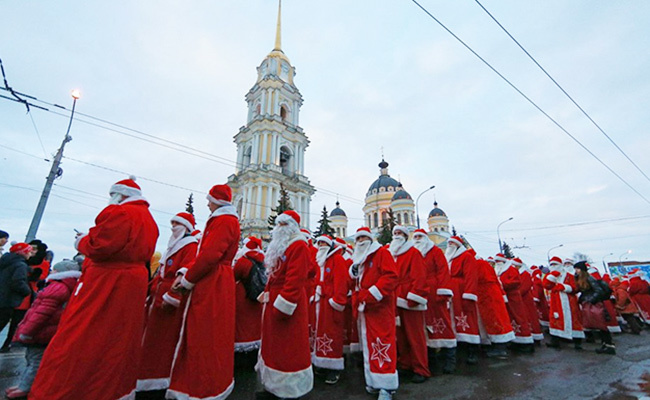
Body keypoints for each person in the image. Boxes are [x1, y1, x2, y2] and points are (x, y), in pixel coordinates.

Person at [30, 177, 159, 400]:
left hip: (108, 280)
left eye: (112, 195)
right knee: (120, 336)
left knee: (87, 333)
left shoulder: (118, 213)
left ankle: (72, 389)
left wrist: (81, 241)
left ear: (119, 195)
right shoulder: (149, 219)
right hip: (133, 282)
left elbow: (100, 246)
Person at [166, 185, 240, 400]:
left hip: (213, 282)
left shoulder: (224, 221)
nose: (207, 204)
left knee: (206, 336)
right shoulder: (222, 220)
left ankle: (205, 388)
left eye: (209, 200)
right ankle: (195, 385)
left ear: (217, 201)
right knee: (204, 335)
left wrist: (188, 279)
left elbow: (209, 255)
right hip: (213, 279)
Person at [137, 212, 199, 393]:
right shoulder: (174, 245)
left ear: (186, 227)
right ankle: (147, 375)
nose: (173, 227)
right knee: (152, 340)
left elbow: (184, 273)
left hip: (169, 300)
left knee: (164, 341)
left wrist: (173, 296)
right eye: (172, 223)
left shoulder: (189, 246)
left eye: (177, 224)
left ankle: (160, 379)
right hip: (158, 297)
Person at [256, 211, 313, 400]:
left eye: (283, 225)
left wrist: (283, 305)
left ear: (291, 226)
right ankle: (273, 386)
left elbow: (295, 280)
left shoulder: (298, 246)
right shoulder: (282, 247)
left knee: (289, 349)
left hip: (289, 307)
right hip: (275, 302)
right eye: (277, 224)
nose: (278, 228)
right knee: (274, 347)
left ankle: (289, 389)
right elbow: (273, 275)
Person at [5, 260, 81, 399]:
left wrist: (27, 331)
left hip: (41, 331)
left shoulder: (56, 287)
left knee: (34, 361)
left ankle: (25, 387)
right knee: (33, 359)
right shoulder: (67, 287)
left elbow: (41, 313)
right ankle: (25, 384)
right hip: (47, 330)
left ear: (59, 272)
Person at [349, 227, 398, 400]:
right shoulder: (358, 259)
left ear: (370, 239)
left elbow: (391, 276)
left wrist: (372, 293)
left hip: (380, 307)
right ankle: (373, 380)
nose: (361, 241)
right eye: (358, 238)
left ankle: (386, 386)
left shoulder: (381, 254)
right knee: (369, 346)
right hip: (365, 308)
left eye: (364, 238)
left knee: (382, 343)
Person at [388, 226, 429, 383]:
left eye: (400, 234)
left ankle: (421, 369)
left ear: (406, 236)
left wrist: (414, 297)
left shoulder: (413, 253)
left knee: (415, 336)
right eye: (395, 233)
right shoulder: (392, 254)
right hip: (395, 299)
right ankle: (405, 364)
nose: (397, 236)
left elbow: (419, 276)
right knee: (401, 336)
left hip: (410, 300)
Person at [412, 229, 456, 374]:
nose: (417, 239)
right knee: (425, 327)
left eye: (420, 236)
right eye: (415, 237)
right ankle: (431, 359)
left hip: (435, 292)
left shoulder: (435, 251)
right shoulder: (413, 253)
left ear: (426, 238)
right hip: (421, 294)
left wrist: (442, 290)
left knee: (442, 323)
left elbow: (443, 271)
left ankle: (450, 358)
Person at [311, 235, 349, 385]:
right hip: (319, 302)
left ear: (330, 245)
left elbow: (341, 281)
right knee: (319, 333)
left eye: (324, 243)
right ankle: (321, 362)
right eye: (319, 243)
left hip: (330, 303)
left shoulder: (337, 260)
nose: (321, 245)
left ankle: (333, 367)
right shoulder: (318, 260)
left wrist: (336, 301)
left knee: (332, 332)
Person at [446, 236, 480, 364]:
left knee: (468, 319)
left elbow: (471, 276)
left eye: (452, 243)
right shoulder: (448, 258)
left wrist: (469, 294)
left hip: (462, 292)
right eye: (448, 243)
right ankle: (460, 346)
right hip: (451, 293)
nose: (449, 245)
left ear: (458, 245)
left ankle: (472, 349)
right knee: (454, 319)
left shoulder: (466, 257)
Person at [574, 261, 616, 354]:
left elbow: (598, 290)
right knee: (599, 324)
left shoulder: (589, 278)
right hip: (590, 303)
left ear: (582, 270)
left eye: (577, 269)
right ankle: (606, 345)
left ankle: (609, 346)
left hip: (594, 304)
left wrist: (591, 299)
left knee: (601, 324)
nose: (575, 271)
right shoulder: (582, 278)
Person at [475, 256, 514, 358]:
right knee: (498, 320)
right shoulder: (488, 275)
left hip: (489, 299)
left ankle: (500, 349)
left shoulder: (480, 268)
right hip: (492, 298)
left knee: (496, 321)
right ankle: (499, 346)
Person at [542, 256, 585, 350]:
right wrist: (552, 276)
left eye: (555, 264)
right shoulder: (550, 275)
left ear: (560, 265)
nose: (553, 266)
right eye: (551, 264)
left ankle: (578, 342)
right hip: (556, 301)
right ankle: (555, 341)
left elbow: (576, 288)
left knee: (574, 319)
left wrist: (564, 287)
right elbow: (546, 285)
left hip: (569, 301)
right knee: (555, 319)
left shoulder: (569, 276)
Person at [494, 255, 534, 353]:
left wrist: (502, 284)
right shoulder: (497, 270)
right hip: (505, 298)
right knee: (509, 319)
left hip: (513, 297)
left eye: (499, 261)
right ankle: (515, 341)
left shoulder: (511, 269)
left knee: (519, 318)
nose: (497, 262)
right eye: (496, 261)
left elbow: (516, 281)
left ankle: (526, 341)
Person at [233, 236, 264, 357]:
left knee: (242, 325)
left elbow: (233, 276)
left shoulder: (243, 261)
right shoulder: (262, 260)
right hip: (257, 297)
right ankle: (255, 347)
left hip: (243, 296)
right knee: (254, 324)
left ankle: (242, 350)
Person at [0, 243, 33, 354]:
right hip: (8, 299)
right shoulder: (20, 265)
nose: (30, 254)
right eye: (29, 251)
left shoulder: (5, 261)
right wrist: (27, 291)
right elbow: (18, 282)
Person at [514, 258, 544, 343]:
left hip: (526, 300)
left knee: (530, 317)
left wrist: (515, 293)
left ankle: (534, 336)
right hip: (520, 300)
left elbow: (524, 287)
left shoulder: (525, 274)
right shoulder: (519, 274)